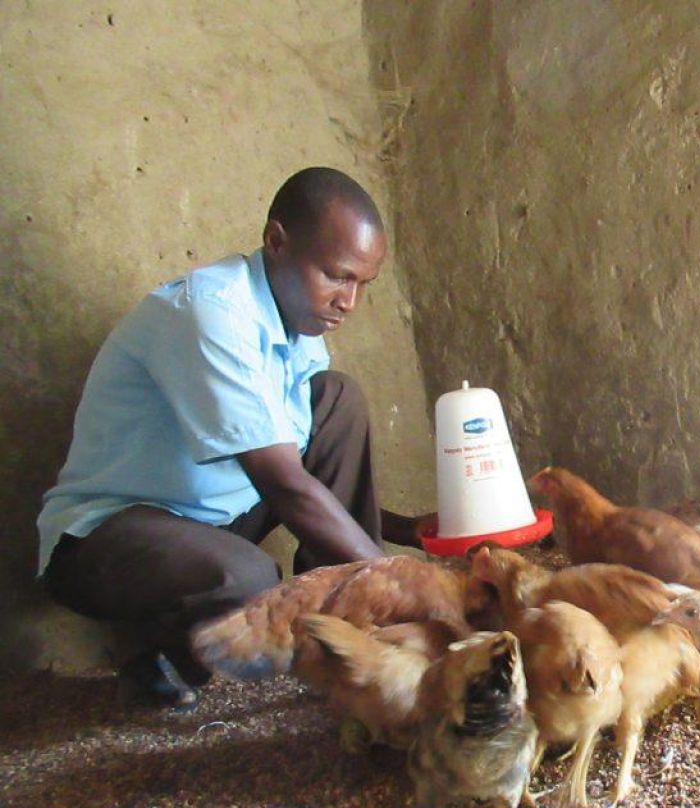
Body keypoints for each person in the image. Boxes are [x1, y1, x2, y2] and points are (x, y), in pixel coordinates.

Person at [37, 167, 428, 710]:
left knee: (335, 399)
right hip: (108, 539)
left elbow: (306, 479)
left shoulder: (297, 332)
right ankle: (150, 649)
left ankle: (351, 630)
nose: (350, 301)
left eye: (364, 284)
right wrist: (414, 596)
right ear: (276, 242)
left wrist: (412, 532)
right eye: (337, 275)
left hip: (213, 523)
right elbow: (285, 484)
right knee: (246, 579)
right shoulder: (211, 313)